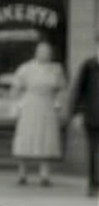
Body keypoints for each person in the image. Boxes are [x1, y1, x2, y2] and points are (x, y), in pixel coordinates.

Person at [10, 40, 67, 186]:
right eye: (42, 51)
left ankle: (44, 174)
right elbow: (15, 88)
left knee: (46, 139)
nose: (45, 54)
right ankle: (22, 173)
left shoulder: (56, 69)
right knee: (26, 137)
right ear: (36, 52)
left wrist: (59, 103)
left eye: (47, 52)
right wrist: (18, 103)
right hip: (30, 104)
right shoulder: (26, 68)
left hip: (47, 105)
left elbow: (62, 88)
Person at [65, 52, 99, 197]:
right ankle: (94, 184)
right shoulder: (89, 65)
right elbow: (79, 90)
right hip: (93, 116)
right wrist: (77, 113)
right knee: (93, 151)